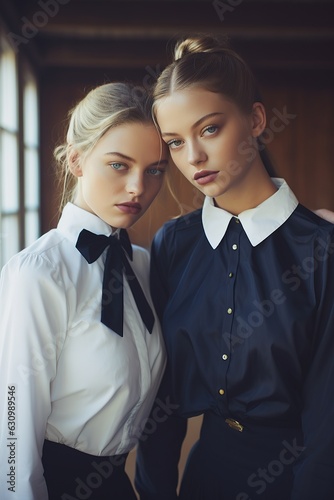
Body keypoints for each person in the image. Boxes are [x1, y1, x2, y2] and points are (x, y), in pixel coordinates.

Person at [135, 35, 334, 500]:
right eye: (175, 143)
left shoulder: (321, 249)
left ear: (257, 120)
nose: (193, 158)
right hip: (204, 476)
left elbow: (329, 419)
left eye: (209, 129)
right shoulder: (175, 244)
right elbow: (161, 397)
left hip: (299, 479)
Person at [0, 81, 169, 500]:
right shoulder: (37, 274)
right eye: (118, 164)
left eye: (154, 170)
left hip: (115, 485)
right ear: (76, 160)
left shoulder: (143, 265)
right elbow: (12, 431)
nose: (137, 187)